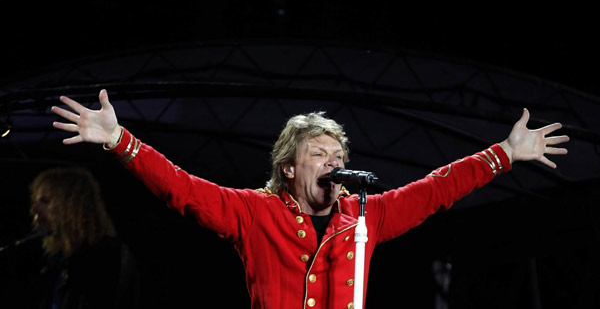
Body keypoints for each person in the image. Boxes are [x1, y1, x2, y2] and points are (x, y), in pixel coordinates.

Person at [51, 89, 568, 309]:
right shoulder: (254, 213)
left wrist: (503, 152)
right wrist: (121, 141)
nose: (331, 160)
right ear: (288, 167)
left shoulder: (366, 214)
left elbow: (437, 189)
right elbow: (181, 189)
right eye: (317, 151)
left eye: (337, 152)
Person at [29, 166, 140, 309]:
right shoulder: (57, 258)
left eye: (45, 201)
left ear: (72, 206)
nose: (34, 210)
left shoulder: (107, 257)